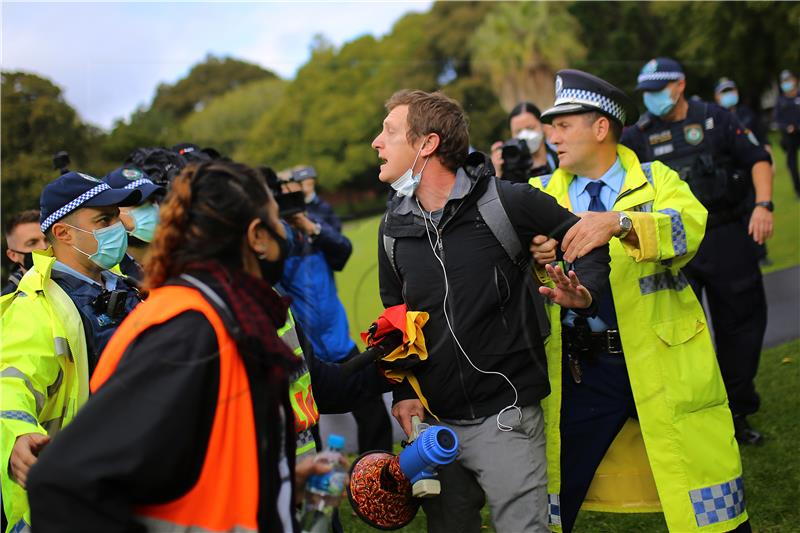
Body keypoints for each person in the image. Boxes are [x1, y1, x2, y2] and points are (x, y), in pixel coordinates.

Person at [25, 161, 333, 532]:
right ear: (256, 235)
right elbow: (60, 482)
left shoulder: (218, 311)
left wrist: (273, 489)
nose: (121, 226)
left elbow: (193, 463)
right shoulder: (193, 329)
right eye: (274, 219)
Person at [373, 89, 611, 532]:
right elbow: (396, 316)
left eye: (389, 132)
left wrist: (587, 293)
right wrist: (403, 392)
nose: (376, 142)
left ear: (427, 145)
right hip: (434, 428)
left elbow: (588, 237)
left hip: (506, 417)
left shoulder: (507, 201)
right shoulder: (392, 227)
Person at [530, 69, 750, 533]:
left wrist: (621, 223)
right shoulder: (539, 193)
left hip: (663, 363)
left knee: (706, 491)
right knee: (550, 502)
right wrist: (534, 258)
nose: (552, 136)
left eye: (563, 125)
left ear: (601, 127)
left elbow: (688, 227)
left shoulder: (656, 179)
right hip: (582, 371)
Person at [620, 57, 773, 445]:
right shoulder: (638, 136)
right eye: (647, 93)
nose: (652, 98)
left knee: (741, 323)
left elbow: (758, 160)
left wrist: (763, 205)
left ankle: (738, 410)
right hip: (673, 247)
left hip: (725, 235)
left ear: (679, 85)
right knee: (680, 337)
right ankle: (694, 418)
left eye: (659, 89)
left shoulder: (715, 119)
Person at [0, 171, 143, 533]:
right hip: (75, 502)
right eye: (104, 220)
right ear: (63, 233)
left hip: (134, 483)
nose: (118, 227)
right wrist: (18, 434)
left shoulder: (125, 287)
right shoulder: (36, 306)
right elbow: (11, 381)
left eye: (116, 216)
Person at [279, 165, 393, 455]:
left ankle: (374, 473)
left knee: (373, 413)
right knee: (307, 421)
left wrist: (308, 226)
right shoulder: (275, 246)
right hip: (307, 350)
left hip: (338, 340)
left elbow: (342, 249)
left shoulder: (315, 224)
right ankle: (315, 476)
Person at [102, 166, 166, 282]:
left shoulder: (178, 258)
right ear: (111, 211)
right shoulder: (107, 275)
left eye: (152, 201)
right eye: (137, 203)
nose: (151, 209)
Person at [491, 102, 559, 181]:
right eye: (518, 131)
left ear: (542, 126)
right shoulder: (508, 169)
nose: (525, 135)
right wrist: (496, 173)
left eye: (530, 128)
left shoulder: (559, 159)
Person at [2, 210, 47, 296]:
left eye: (47, 240)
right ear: (13, 255)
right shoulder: (7, 303)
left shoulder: (76, 278)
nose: (44, 247)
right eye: (32, 243)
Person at [774, 69, 800, 197]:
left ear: (795, 80)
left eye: (788, 80)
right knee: (792, 164)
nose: (787, 83)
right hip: (789, 137)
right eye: (784, 81)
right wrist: (786, 127)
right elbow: (777, 120)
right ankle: (798, 189)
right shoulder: (780, 101)